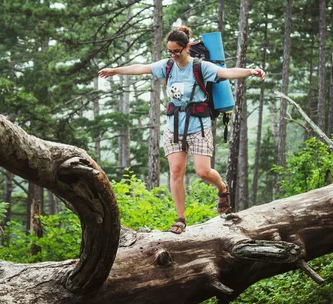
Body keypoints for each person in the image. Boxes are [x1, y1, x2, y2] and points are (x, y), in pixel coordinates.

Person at [98, 26, 265, 234]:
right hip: (174, 125)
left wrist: (251, 71)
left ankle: (222, 189)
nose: (173, 55)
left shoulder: (200, 67)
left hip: (199, 125)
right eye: (169, 51)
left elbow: (226, 72)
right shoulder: (167, 66)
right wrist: (115, 70)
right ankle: (180, 218)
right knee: (176, 171)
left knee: (203, 172)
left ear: (186, 47)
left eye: (176, 51)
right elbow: (142, 67)